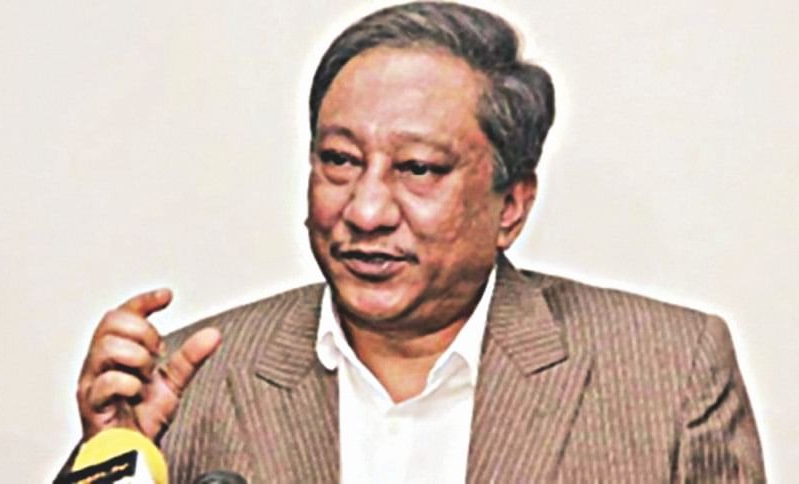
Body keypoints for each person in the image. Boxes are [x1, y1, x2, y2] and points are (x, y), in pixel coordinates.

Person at [68, 2, 765, 482]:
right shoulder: (184, 385)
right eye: (339, 160)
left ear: (511, 206)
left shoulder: (668, 373)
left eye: (419, 169)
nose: (366, 210)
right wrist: (110, 462)